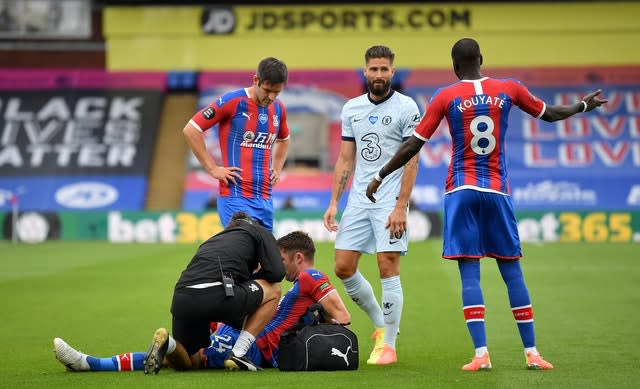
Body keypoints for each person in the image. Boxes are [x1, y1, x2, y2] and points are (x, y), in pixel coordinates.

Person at [366, 38, 608, 371]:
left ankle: (481, 355)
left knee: (470, 275)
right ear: (481, 59)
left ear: (454, 66)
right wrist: (582, 106)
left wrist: (380, 174)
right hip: (497, 189)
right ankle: (533, 353)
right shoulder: (509, 88)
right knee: (512, 271)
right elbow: (550, 114)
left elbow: (413, 145)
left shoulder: (445, 96)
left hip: (461, 190)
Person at [53, 231, 351, 372]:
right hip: (248, 345)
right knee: (186, 360)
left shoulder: (309, 276)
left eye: (282, 259)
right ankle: (160, 347)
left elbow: (342, 316)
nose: (278, 266)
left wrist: (321, 323)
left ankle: (92, 363)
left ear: (298, 257)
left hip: (243, 341)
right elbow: (335, 318)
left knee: (183, 358)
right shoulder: (299, 285)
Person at [323, 45, 421, 365]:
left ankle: (389, 346)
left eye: (384, 69)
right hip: (358, 201)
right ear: (364, 71)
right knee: (343, 267)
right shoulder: (351, 108)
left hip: (389, 201)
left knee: (387, 266)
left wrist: (400, 206)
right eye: (373, 69)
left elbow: (411, 161)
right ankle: (381, 326)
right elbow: (345, 158)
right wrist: (334, 202)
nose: (379, 74)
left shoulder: (407, 108)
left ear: (393, 72)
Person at [184, 57, 290, 231]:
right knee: (244, 253)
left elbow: (284, 140)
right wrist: (212, 168)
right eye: (268, 90)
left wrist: (277, 168)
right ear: (256, 80)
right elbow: (191, 129)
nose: (271, 97)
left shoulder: (278, 109)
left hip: (265, 199)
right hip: (235, 197)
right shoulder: (233, 101)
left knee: (263, 257)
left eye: (277, 93)